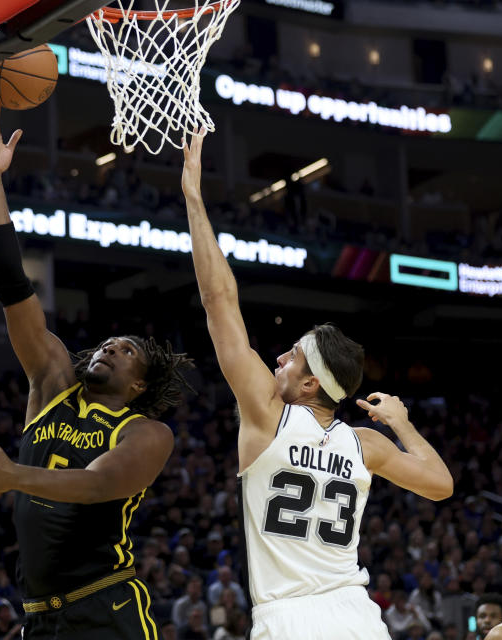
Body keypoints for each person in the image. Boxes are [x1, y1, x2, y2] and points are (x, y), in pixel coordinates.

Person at [179, 131, 454, 640]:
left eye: (291, 356)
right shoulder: (366, 443)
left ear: (309, 385)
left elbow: (219, 302)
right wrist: (404, 425)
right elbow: (441, 486)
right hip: (359, 617)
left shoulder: (267, 414)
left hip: (287, 620)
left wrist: (194, 199)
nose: (278, 358)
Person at [0, 99, 195, 640]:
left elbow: (96, 486)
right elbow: (13, 286)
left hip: (105, 610)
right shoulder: (51, 384)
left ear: (139, 384)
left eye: (127, 350)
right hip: (39, 619)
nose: (109, 347)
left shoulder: (146, 433)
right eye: (108, 342)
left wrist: (16, 477)